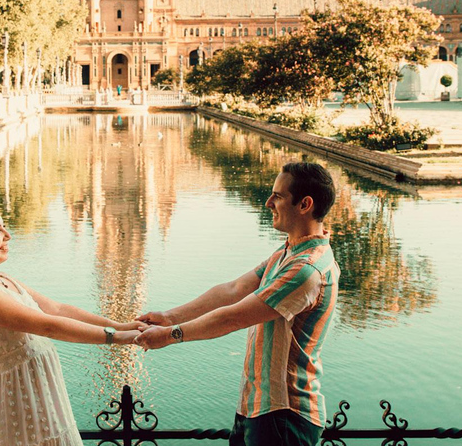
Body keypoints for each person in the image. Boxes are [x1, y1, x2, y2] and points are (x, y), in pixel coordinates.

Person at [135, 162, 339, 446]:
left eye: (278, 196)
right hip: (259, 408)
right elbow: (234, 289)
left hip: (285, 414)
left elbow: (232, 318)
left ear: (305, 204)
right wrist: (169, 317)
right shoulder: (289, 251)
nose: (268, 203)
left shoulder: (306, 269)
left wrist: (170, 336)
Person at [0, 202, 141, 446]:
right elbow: (48, 326)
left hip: (42, 394)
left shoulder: (2, 280)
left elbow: (58, 309)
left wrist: (122, 326)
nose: (8, 235)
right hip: (20, 400)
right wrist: (116, 338)